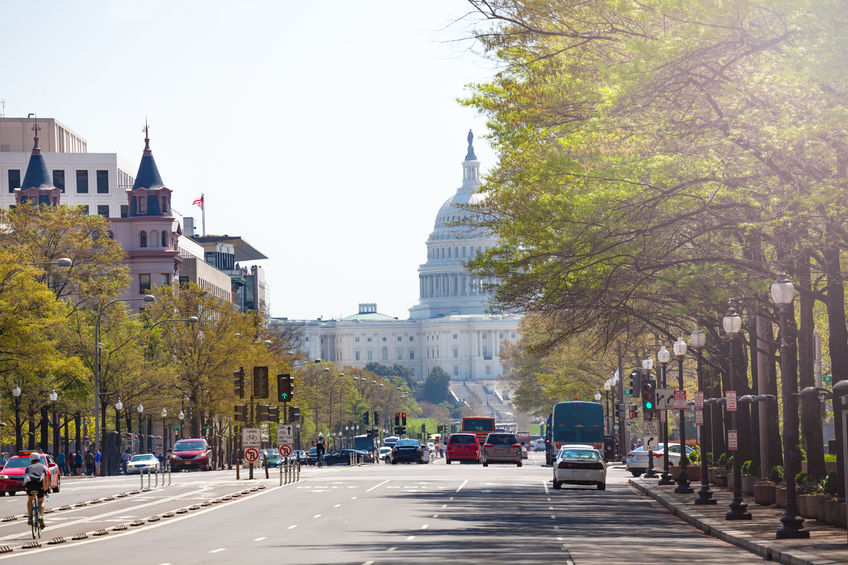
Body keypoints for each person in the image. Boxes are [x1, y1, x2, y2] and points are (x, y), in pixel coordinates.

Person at [24, 452, 49, 529]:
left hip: (30, 485)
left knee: (30, 499)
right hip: (39, 485)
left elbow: (25, 479)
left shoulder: (27, 468)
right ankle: (41, 517)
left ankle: (30, 517)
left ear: (31, 459)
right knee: (41, 501)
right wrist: (46, 490)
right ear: (39, 459)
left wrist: (26, 487)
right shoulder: (43, 467)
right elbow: (45, 480)